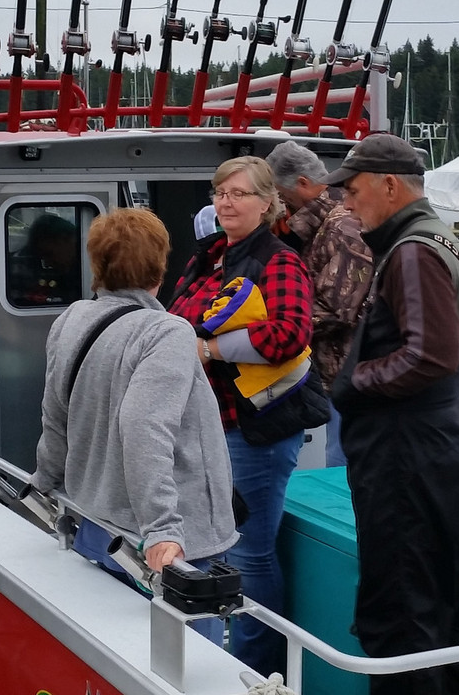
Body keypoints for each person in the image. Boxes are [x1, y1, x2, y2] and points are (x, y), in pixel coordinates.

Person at [321, 134, 459, 695]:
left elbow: (432, 355)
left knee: (400, 616)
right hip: (436, 445)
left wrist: (354, 381)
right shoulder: (442, 240)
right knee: (436, 606)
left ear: (390, 185)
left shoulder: (411, 250)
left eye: (353, 189)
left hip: (406, 457)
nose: (345, 202)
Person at [29, 207, 237, 643]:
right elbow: (144, 426)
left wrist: (44, 480)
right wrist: (162, 527)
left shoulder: (71, 320)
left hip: (96, 525)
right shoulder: (167, 332)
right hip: (164, 549)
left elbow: (55, 414)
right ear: (160, 269)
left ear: (97, 265)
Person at [168, 156, 313, 677]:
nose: (226, 202)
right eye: (220, 193)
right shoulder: (208, 255)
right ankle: (221, 652)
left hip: (253, 429)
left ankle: (257, 668)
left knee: (251, 553)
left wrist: (209, 352)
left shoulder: (279, 261)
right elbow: (174, 318)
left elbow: (291, 334)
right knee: (207, 545)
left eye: (239, 193)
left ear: (267, 202)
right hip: (202, 423)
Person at [266, 140, 373, 467]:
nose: (280, 206)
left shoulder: (343, 226)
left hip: (348, 379)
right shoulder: (323, 225)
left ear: (302, 184)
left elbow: (338, 307)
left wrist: (272, 331)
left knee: (342, 468)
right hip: (333, 375)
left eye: (280, 196)